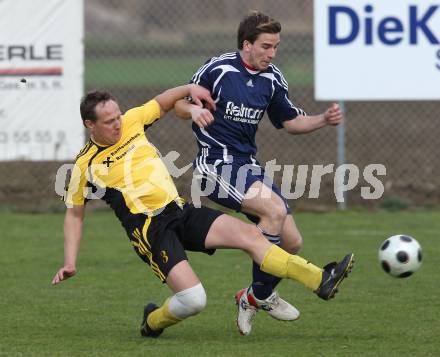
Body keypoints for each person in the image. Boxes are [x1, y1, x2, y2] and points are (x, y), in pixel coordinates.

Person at [51, 84, 354, 338]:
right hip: (151, 232)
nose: (117, 123)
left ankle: (320, 279)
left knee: (252, 236)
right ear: (89, 125)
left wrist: (190, 90)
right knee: (195, 301)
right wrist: (69, 261)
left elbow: (165, 102)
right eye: (108, 121)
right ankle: (153, 321)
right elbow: (74, 214)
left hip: (179, 211)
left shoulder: (132, 121)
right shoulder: (84, 166)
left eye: (117, 116)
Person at [174, 11, 344, 335]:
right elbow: (180, 103)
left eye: (276, 46)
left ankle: (252, 296)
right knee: (274, 210)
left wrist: (323, 119)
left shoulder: (272, 79)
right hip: (215, 164)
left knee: (291, 242)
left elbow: (290, 122)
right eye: (266, 46)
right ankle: (263, 294)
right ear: (246, 44)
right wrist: (194, 108)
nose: (272, 53)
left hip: (248, 167)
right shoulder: (218, 69)